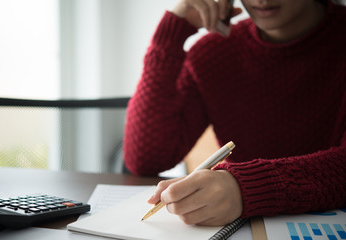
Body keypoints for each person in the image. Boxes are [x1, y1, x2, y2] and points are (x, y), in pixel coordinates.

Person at [123, 0, 346, 227]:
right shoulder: (215, 51)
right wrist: (170, 34)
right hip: (244, 225)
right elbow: (146, 159)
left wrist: (248, 187)